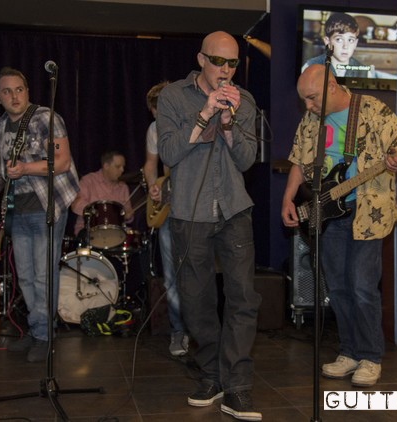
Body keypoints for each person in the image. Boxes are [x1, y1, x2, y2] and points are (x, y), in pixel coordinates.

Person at [157, 31, 262, 421]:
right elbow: (169, 152)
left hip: (234, 210)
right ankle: (211, 375)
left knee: (242, 297)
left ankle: (238, 386)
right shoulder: (172, 96)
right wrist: (204, 114)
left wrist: (229, 123)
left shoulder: (244, 100)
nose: (226, 70)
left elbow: (247, 160)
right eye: (219, 61)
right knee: (196, 300)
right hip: (190, 212)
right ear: (201, 59)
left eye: (233, 63)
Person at [281, 64, 397, 387]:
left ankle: (371, 356)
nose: (308, 105)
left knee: (363, 287)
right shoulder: (311, 119)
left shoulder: (374, 111)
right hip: (328, 213)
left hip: (368, 212)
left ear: (331, 86)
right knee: (337, 287)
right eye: (304, 99)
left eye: (312, 98)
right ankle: (349, 352)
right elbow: (299, 160)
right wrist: (288, 198)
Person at [0, 66, 80, 362]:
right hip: (17, 209)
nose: (14, 96)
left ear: (28, 92)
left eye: (19, 89)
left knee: (44, 275)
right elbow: (0, 165)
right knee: (27, 277)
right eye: (7, 91)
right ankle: (37, 328)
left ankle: (45, 335)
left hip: (47, 206)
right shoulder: (1, 126)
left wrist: (26, 168)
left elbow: (63, 161)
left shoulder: (46, 118)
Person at [142, 81, 190, 357]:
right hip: (171, 206)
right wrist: (153, 185)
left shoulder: (192, 121)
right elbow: (151, 165)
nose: (161, 116)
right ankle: (178, 330)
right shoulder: (154, 129)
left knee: (197, 270)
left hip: (195, 206)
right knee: (171, 273)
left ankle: (203, 329)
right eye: (157, 112)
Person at [70, 150, 134, 238]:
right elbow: (75, 205)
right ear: (106, 166)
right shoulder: (88, 181)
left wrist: (128, 215)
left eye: (123, 167)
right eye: (118, 166)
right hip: (88, 229)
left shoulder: (123, 187)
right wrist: (99, 212)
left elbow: (127, 214)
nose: (122, 170)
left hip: (115, 231)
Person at [302, 12, 373, 78]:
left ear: (355, 43)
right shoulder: (310, 67)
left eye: (350, 40)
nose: (345, 46)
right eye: (339, 39)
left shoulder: (365, 72)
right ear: (327, 41)